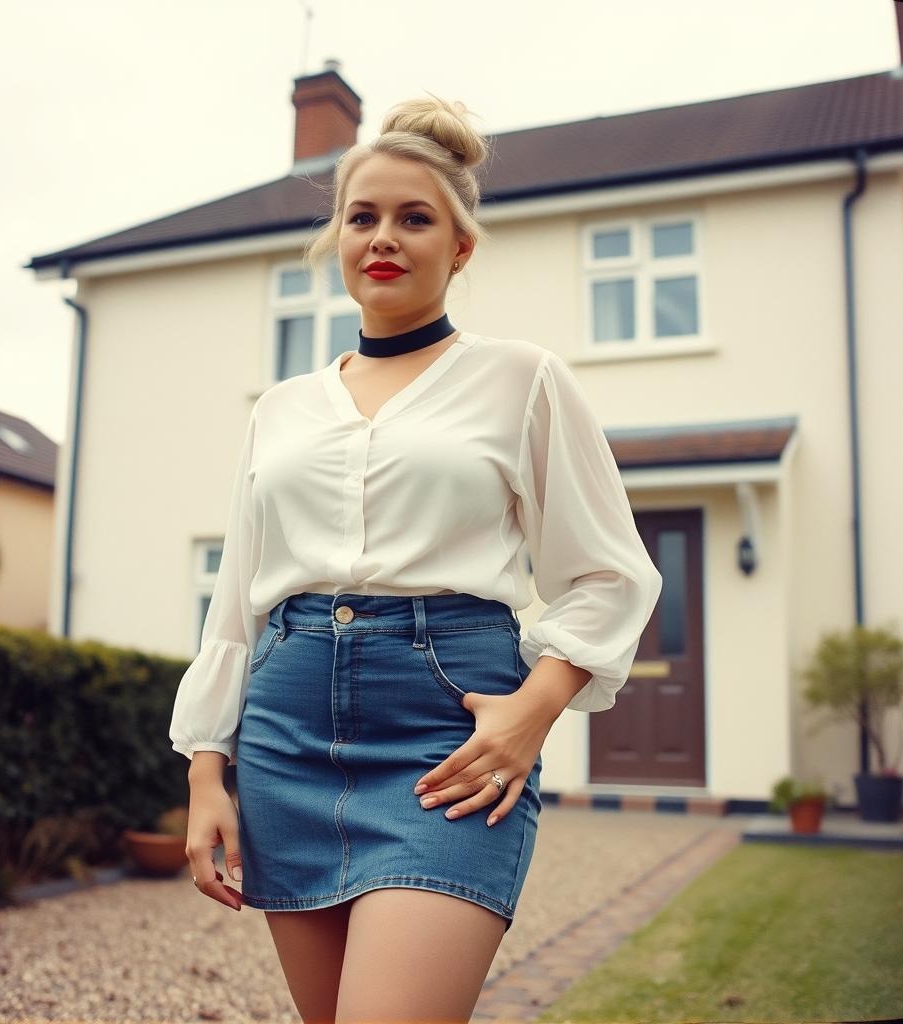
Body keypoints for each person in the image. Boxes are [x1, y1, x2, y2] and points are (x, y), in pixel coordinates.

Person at [169, 93, 663, 1024]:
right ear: (338, 239)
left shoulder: (523, 380)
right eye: (362, 217)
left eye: (414, 217)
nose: (383, 237)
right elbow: (235, 604)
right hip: (285, 738)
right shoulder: (280, 409)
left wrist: (533, 712)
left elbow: (609, 571)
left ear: (460, 246)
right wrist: (206, 774)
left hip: (445, 737)